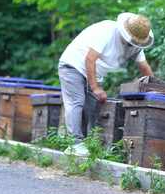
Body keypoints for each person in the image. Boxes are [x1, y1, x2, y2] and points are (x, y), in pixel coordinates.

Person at [58, 12, 154, 155]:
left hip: (94, 73)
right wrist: (95, 87)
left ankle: (91, 145)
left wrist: (155, 88)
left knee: (93, 108)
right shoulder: (106, 31)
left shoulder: (136, 45)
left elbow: (144, 67)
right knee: (76, 102)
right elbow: (90, 59)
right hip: (73, 65)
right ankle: (75, 144)